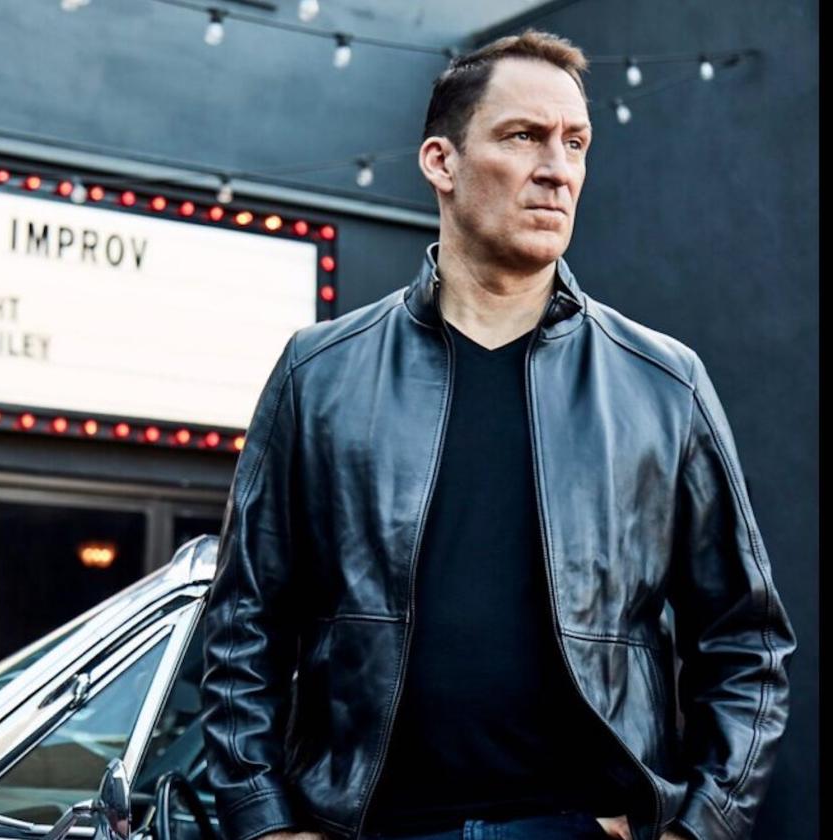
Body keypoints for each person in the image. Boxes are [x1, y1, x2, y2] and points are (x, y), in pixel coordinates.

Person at [200, 29, 795, 840]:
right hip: (371, 827)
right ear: (442, 162)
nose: (557, 168)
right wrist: (262, 823)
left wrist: (701, 826)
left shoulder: (664, 383)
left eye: (575, 142)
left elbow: (747, 640)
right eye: (523, 137)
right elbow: (244, 625)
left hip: (577, 827)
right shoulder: (320, 374)